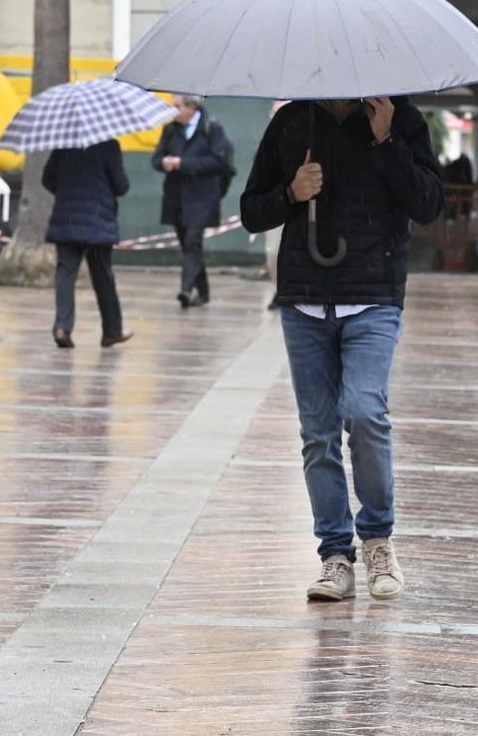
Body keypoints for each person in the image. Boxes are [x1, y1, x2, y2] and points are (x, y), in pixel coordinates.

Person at [241, 96, 443, 603]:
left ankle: (377, 539)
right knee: (318, 434)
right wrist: (291, 191)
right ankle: (335, 556)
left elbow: (427, 204)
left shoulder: (401, 118)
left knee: (365, 411)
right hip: (305, 299)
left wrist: (386, 141)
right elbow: (250, 211)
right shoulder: (293, 123)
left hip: (374, 295)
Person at [43, 140, 132, 350]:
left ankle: (62, 327)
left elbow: (47, 179)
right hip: (97, 220)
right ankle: (112, 331)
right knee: (102, 276)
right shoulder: (108, 145)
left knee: (65, 274)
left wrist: (68, 190)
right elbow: (122, 186)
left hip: (67, 218)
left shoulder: (63, 144)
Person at [153, 94, 231, 308]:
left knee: (192, 241)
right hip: (176, 198)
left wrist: (182, 163)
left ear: (191, 108)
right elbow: (156, 159)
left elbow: (217, 161)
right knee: (189, 247)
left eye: (177, 106)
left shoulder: (211, 129)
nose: (174, 110)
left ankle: (186, 290)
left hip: (203, 197)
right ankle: (203, 292)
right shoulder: (170, 130)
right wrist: (164, 162)